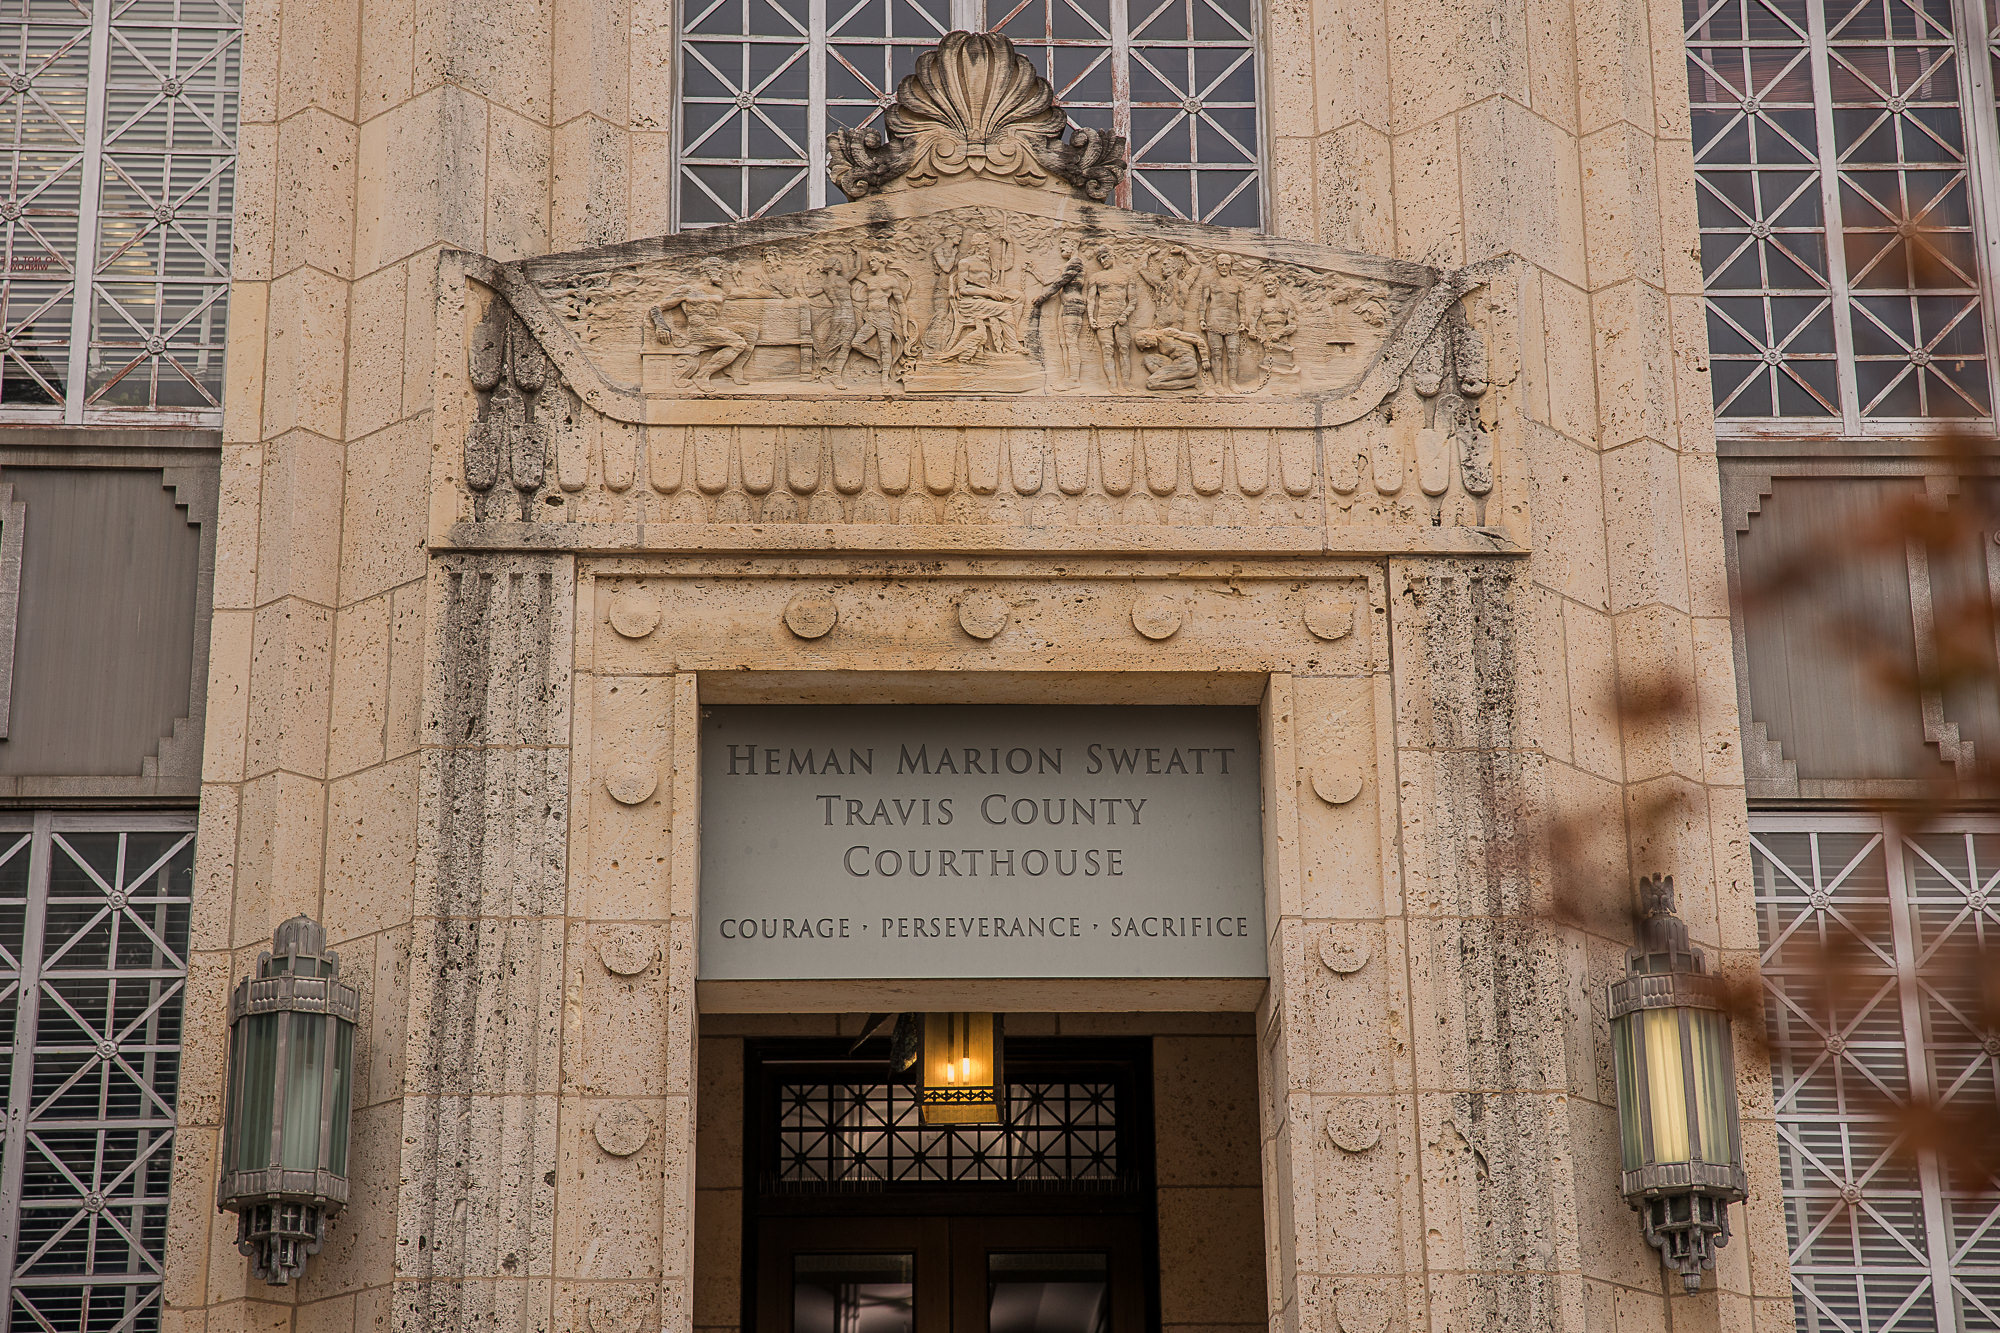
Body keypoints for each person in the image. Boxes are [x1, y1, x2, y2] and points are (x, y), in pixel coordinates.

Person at [650, 263, 753, 389]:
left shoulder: (721, 291)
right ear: (706, 270)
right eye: (718, 268)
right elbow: (656, 307)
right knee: (739, 344)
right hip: (699, 330)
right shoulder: (687, 290)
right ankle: (702, 375)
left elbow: (747, 292)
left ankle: (733, 368)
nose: (720, 273)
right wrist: (661, 325)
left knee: (751, 331)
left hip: (715, 328)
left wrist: (738, 279)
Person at [849, 254, 910, 386]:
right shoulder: (869, 279)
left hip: (884, 317)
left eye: (873, 261)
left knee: (886, 348)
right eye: (869, 261)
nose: (871, 264)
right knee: (856, 343)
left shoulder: (891, 281)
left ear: (882, 262)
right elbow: (853, 273)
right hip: (871, 317)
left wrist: (905, 327)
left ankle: (885, 379)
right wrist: (855, 255)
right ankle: (878, 359)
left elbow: (901, 304)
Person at [1084, 245, 1136, 391]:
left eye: (1105, 257)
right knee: (1107, 349)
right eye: (1100, 259)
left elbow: (1132, 300)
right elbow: (1091, 299)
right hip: (1103, 317)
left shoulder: (1127, 275)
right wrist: (1090, 317)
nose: (1102, 261)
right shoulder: (1096, 277)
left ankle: (1126, 382)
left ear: (1113, 255)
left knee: (1124, 348)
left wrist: (1125, 315)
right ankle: (1112, 383)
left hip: (1121, 317)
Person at [1201, 254, 1250, 391]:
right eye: (1221, 264)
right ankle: (1218, 383)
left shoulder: (1237, 283)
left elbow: (1241, 304)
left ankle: (1233, 382)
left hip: (1232, 322)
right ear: (1216, 265)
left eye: (1226, 265)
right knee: (1216, 353)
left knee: (1233, 352)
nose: (1223, 267)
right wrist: (1201, 319)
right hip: (1214, 321)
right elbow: (1203, 302)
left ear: (1230, 266)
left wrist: (1242, 321)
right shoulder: (1210, 282)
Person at [1133, 326, 1210, 391]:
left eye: (1146, 343)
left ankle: (1192, 382)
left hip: (1187, 363)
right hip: (1175, 363)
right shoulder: (1160, 346)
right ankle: (1165, 378)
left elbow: (1198, 340)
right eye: (1146, 347)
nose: (1148, 346)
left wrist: (1205, 359)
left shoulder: (1168, 332)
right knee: (1148, 358)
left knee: (1151, 383)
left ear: (1147, 335)